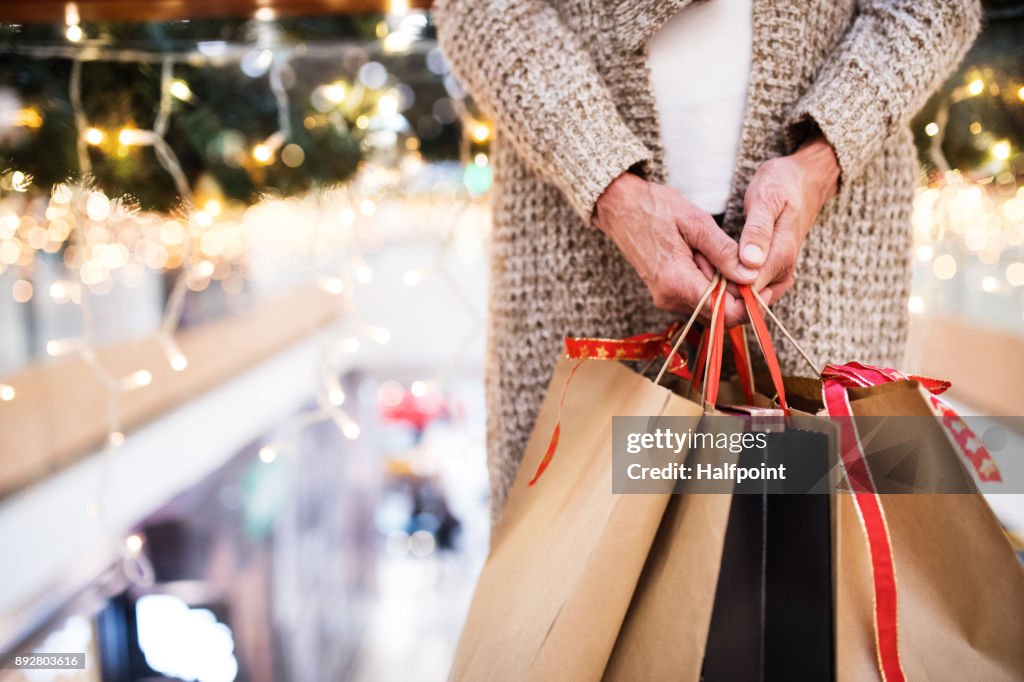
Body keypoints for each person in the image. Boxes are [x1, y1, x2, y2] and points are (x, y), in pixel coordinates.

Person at [434, 0, 981, 525]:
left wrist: (823, 160)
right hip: (575, 241)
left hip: (829, 238)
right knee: (570, 574)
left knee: (811, 571)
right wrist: (607, 184)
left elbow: (933, 7)